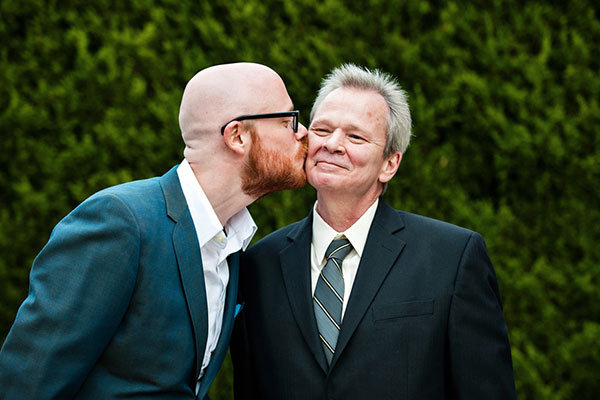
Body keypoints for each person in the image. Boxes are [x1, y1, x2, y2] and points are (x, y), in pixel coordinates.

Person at [0, 62, 308, 399]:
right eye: (286, 120)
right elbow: (28, 383)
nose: (303, 132)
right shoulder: (119, 222)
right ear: (237, 136)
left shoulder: (232, 245)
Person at [232, 64, 517, 399]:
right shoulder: (259, 263)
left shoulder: (452, 258)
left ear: (389, 164)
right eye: (322, 130)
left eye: (355, 136)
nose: (333, 144)